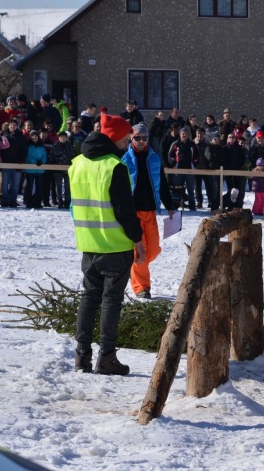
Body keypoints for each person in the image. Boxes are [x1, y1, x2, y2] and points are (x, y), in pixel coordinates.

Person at [69, 113, 145, 375]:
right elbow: (125, 211)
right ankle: (107, 358)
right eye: (125, 141)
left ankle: (82, 357)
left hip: (88, 244)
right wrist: (138, 240)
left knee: (89, 299)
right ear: (114, 139)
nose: (127, 146)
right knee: (111, 301)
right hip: (115, 246)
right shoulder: (115, 167)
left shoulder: (76, 164)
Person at [121, 123, 176, 299]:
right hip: (133, 212)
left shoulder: (154, 158)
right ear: (131, 138)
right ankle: (141, 287)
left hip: (151, 211)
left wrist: (170, 206)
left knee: (153, 249)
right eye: (138, 138)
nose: (142, 141)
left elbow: (163, 184)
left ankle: (134, 269)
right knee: (140, 253)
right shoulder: (124, 160)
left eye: (145, 138)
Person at [168, 127, 199, 211]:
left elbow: (197, 156)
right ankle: (176, 205)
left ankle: (192, 206)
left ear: (188, 135)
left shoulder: (192, 144)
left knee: (190, 189)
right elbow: (170, 156)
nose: (184, 135)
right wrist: (174, 163)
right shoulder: (175, 144)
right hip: (178, 170)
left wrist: (194, 164)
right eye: (182, 133)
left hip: (189, 170)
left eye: (186, 133)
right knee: (177, 189)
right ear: (180, 134)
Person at [48, 131, 74, 208]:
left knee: (67, 186)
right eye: (61, 137)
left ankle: (67, 201)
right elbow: (51, 157)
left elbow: (74, 157)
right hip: (57, 169)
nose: (62, 139)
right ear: (58, 138)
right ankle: (60, 201)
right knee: (58, 186)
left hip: (68, 169)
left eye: (64, 137)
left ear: (66, 138)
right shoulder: (55, 147)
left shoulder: (70, 147)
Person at [24, 130, 47, 209]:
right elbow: (27, 157)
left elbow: (44, 156)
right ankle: (29, 202)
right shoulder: (28, 146)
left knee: (39, 186)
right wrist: (35, 162)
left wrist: (42, 162)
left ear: (38, 137)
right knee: (29, 186)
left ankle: (37, 202)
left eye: (36, 136)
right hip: (30, 169)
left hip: (40, 170)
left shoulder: (42, 146)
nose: (34, 137)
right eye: (32, 136)